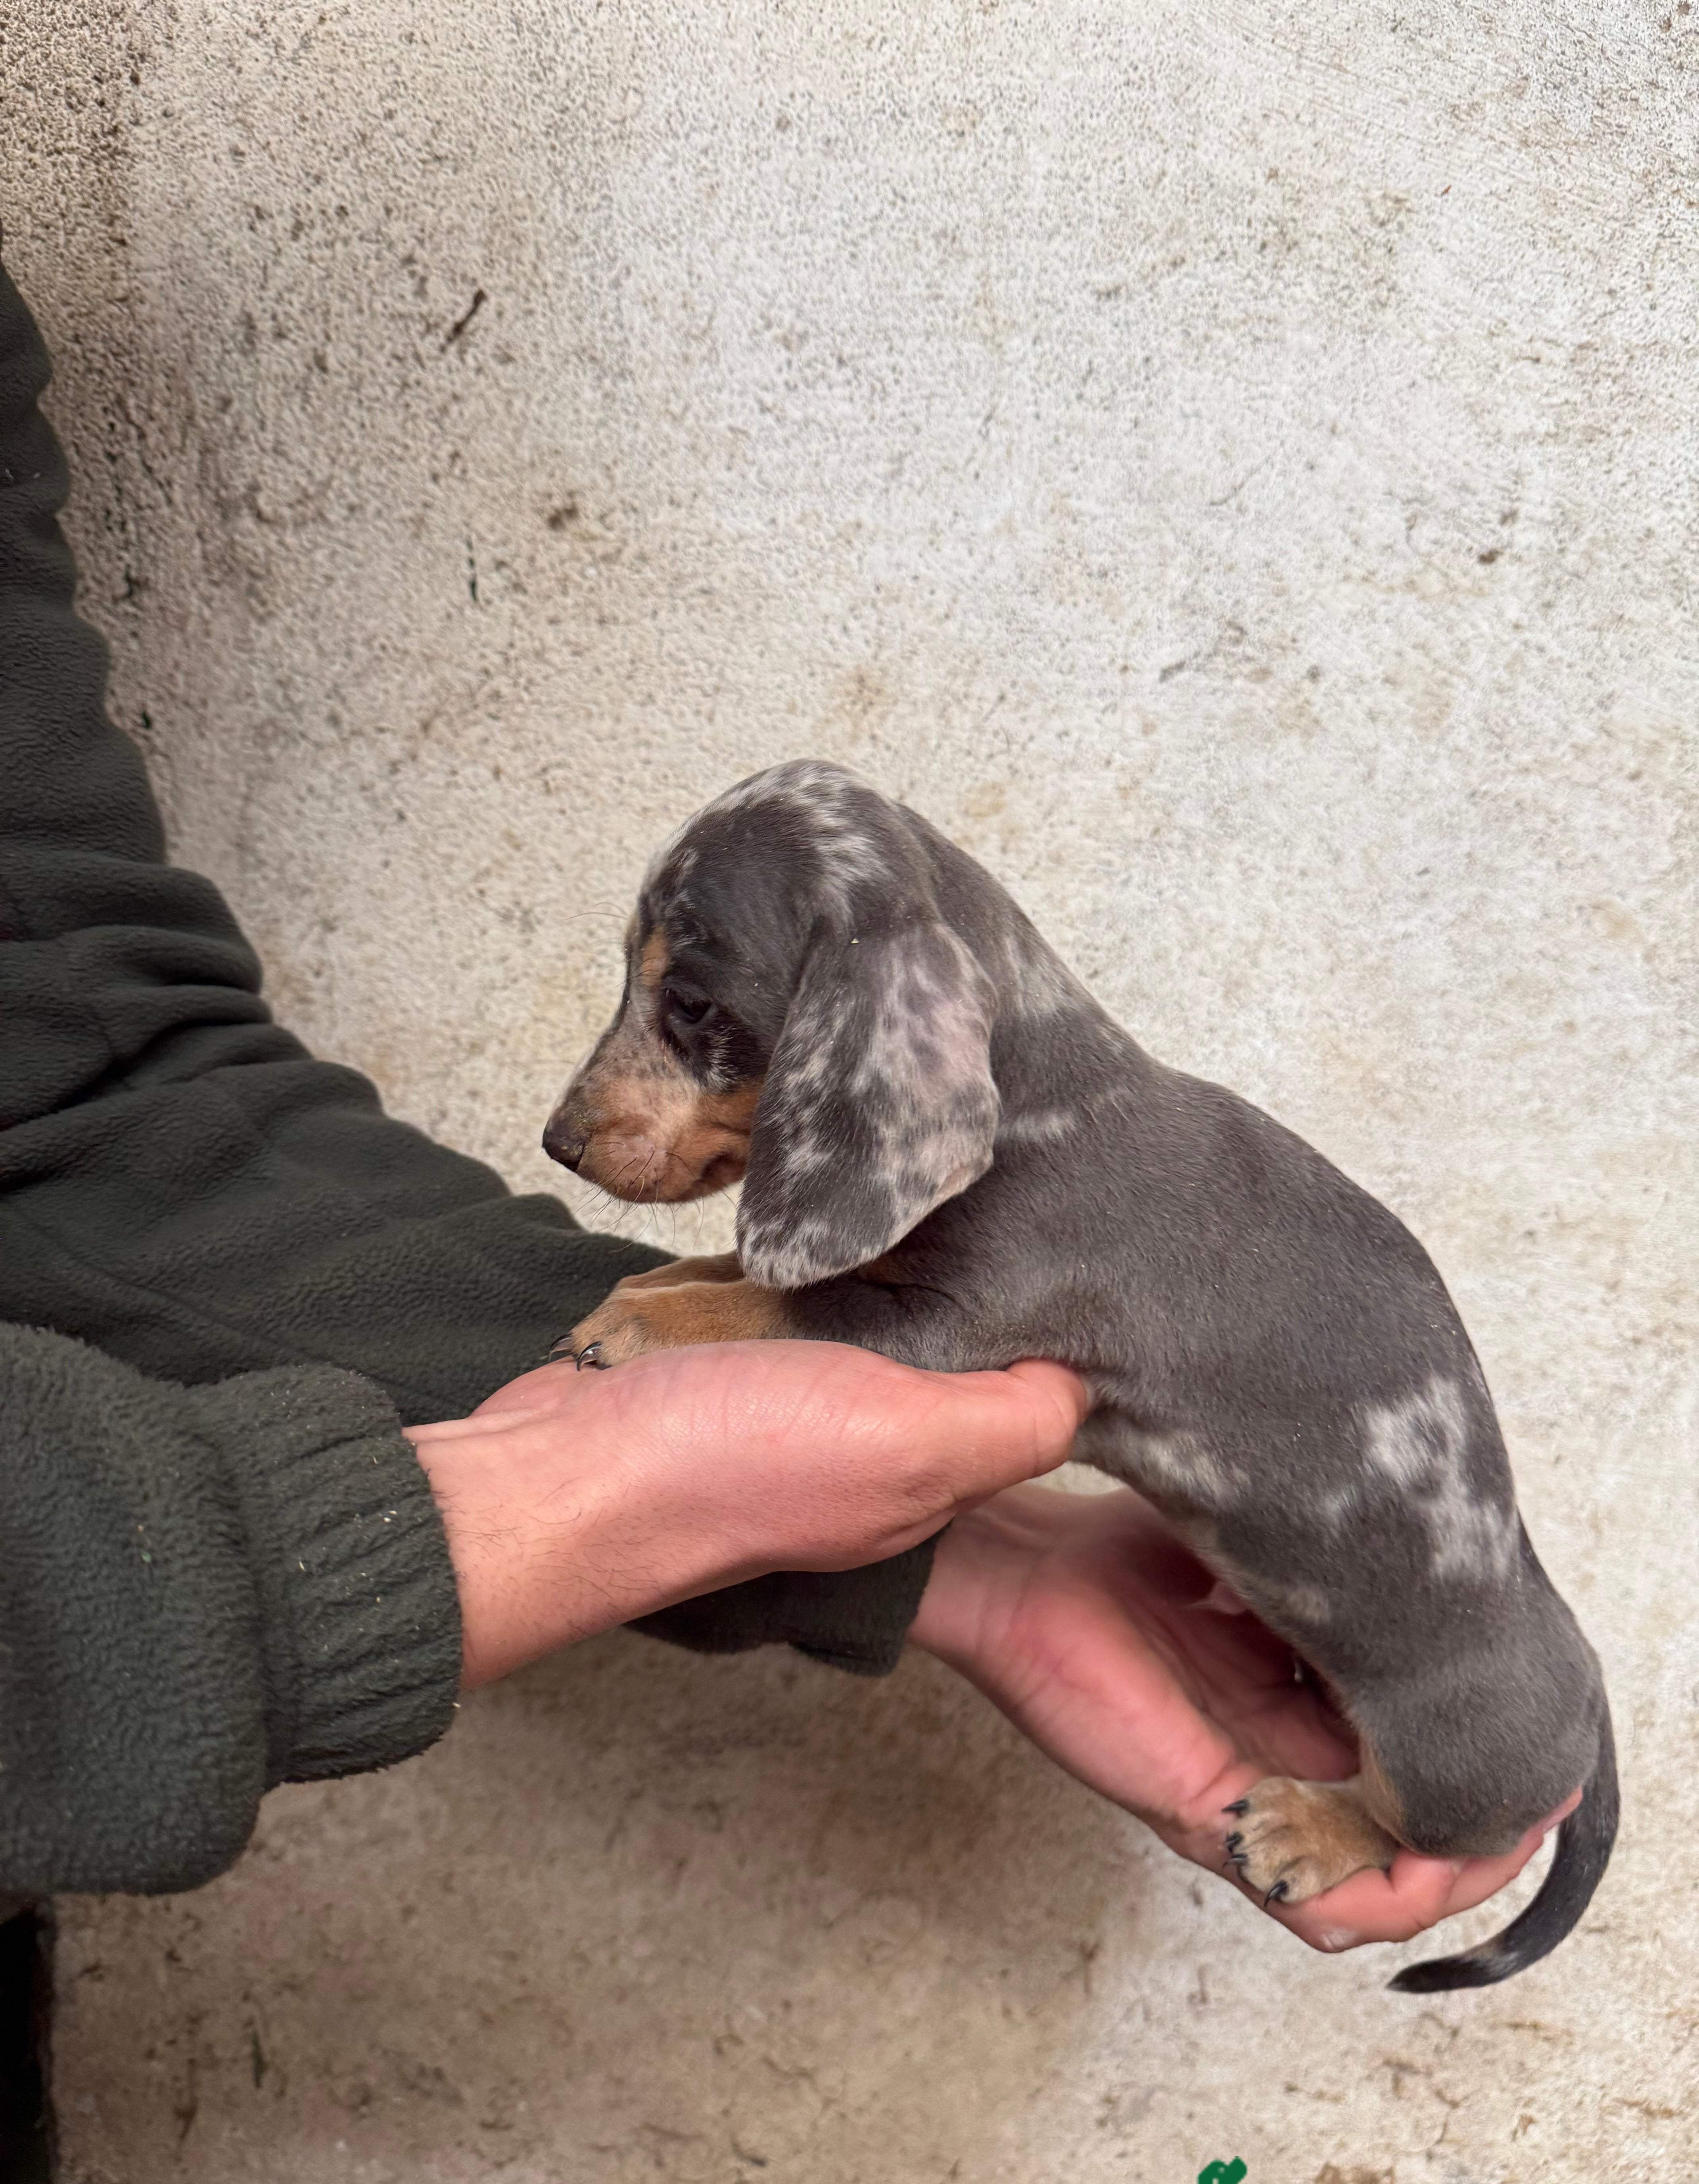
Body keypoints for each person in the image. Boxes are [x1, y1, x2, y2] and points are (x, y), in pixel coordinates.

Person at [0, 243, 1557, 1952]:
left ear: (870, 1046)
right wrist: (592, 1496)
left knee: (1456, 1763)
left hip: (1453, 1695)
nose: (593, 1112)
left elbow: (87, 1078)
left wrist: (823, 1443)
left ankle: (1406, 1801)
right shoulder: (1021, 1141)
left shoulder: (1072, 1188)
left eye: (694, 1023)